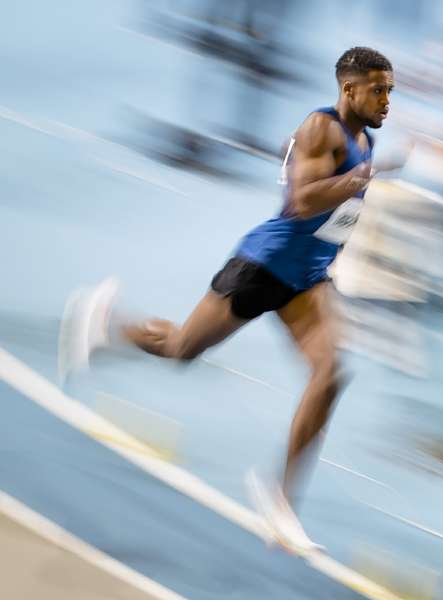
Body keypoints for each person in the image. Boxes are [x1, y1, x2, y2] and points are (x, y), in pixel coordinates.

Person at [59, 46, 395, 553]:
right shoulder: (320, 128)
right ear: (349, 89)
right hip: (262, 267)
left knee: (330, 372)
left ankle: (280, 500)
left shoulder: (363, 140)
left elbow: (330, 213)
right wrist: (355, 178)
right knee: (180, 350)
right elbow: (302, 202)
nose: (388, 100)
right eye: (379, 89)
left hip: (307, 279)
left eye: (391, 90)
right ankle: (107, 326)